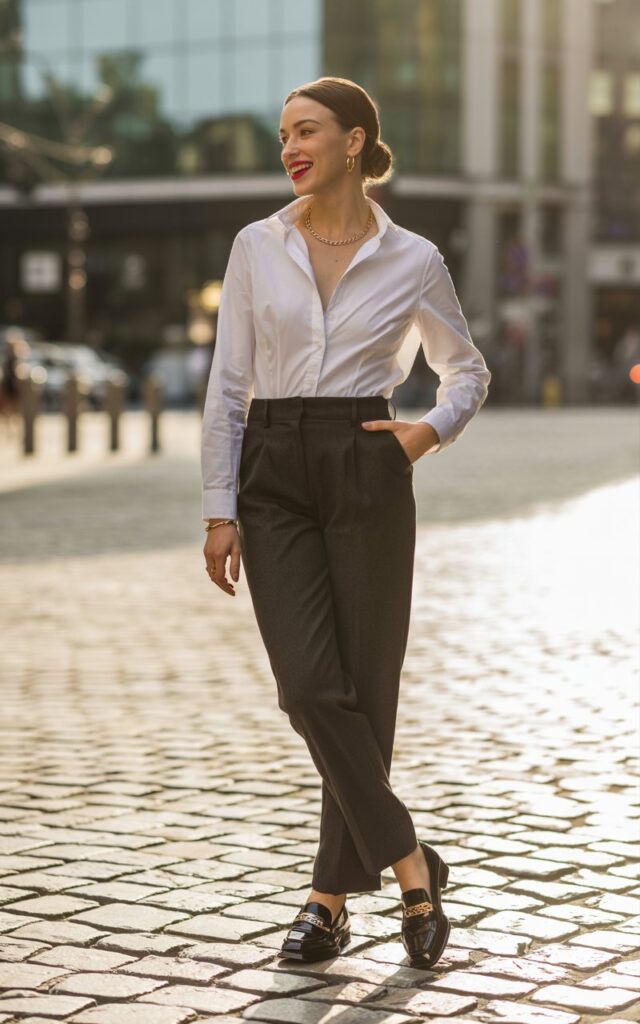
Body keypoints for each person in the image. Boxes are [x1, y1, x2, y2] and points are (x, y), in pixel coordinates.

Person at [200, 77, 491, 967]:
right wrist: (220, 507)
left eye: (307, 131)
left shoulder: (415, 259)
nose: (290, 147)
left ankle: (327, 903)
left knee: (365, 689)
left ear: (355, 141)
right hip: (274, 467)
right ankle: (410, 865)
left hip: (366, 461)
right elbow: (228, 384)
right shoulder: (258, 244)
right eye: (283, 133)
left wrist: (421, 437)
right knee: (309, 686)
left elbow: (467, 372)